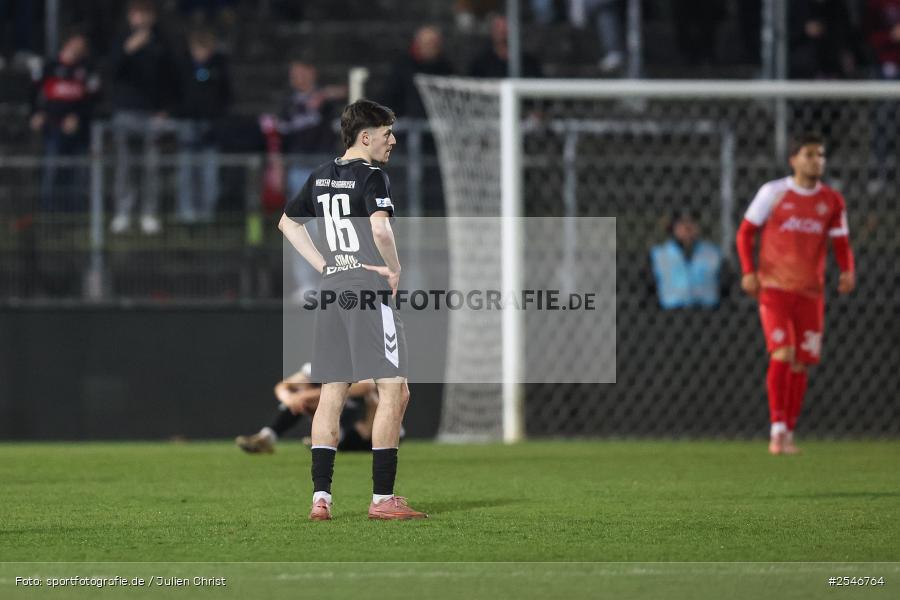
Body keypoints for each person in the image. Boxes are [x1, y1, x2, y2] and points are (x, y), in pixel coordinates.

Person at [278, 99, 426, 521]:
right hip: (366, 289)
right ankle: (382, 500)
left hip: (331, 290)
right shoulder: (373, 177)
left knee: (332, 395)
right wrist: (394, 270)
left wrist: (324, 265)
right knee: (393, 389)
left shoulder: (322, 176)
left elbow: (287, 223)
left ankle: (320, 500)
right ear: (366, 136)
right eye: (386, 133)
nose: (392, 141)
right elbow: (379, 228)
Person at [736, 133, 856, 455]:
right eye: (809, 154)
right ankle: (776, 429)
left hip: (810, 291)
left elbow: (840, 241)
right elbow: (746, 231)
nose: (816, 160)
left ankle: (788, 431)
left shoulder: (832, 200)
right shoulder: (773, 193)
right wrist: (748, 270)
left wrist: (847, 270)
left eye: (821, 155)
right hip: (774, 287)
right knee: (782, 353)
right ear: (793, 159)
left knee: (802, 363)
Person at [108, 0, 176, 235]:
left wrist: (165, 107)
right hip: (125, 111)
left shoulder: (161, 42)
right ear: (130, 16)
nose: (141, 18)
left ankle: (149, 213)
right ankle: (123, 213)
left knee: (151, 166)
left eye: (146, 14)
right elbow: (110, 72)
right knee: (124, 166)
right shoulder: (121, 41)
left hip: (151, 114)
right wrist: (128, 49)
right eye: (137, 13)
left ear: (152, 17)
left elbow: (170, 76)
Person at [235, 363, 384, 454]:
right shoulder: (316, 367)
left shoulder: (357, 365)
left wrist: (308, 395)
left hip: (366, 431)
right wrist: (290, 399)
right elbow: (283, 386)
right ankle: (267, 437)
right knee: (299, 399)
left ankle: (324, 441)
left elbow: (366, 386)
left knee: (314, 398)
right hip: (335, 419)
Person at [29, 30, 99, 212]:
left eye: (82, 47)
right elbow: (33, 94)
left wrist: (78, 117)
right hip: (52, 127)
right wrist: (37, 113)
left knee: (78, 171)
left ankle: (76, 210)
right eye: (75, 44)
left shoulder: (87, 71)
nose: (77, 49)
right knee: (51, 168)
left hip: (79, 130)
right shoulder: (49, 66)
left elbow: (92, 101)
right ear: (66, 43)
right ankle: (47, 210)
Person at [174, 27, 232, 224]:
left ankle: (207, 216)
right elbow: (177, 94)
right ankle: (186, 214)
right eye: (198, 49)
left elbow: (226, 96)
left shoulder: (220, 67)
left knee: (210, 174)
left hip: (211, 127)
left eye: (206, 49)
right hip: (187, 124)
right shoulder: (182, 67)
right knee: (186, 171)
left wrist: (217, 119)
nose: (202, 53)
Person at [650, 212, 723, 310]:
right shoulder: (659, 254)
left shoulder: (713, 252)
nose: (687, 227)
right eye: (681, 223)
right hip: (671, 311)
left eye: (692, 222)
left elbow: (725, 284)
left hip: (707, 310)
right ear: (673, 227)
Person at [468, 14, 542, 77]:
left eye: (505, 28)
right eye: (497, 27)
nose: (502, 31)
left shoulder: (528, 63)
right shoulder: (481, 64)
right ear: (491, 31)